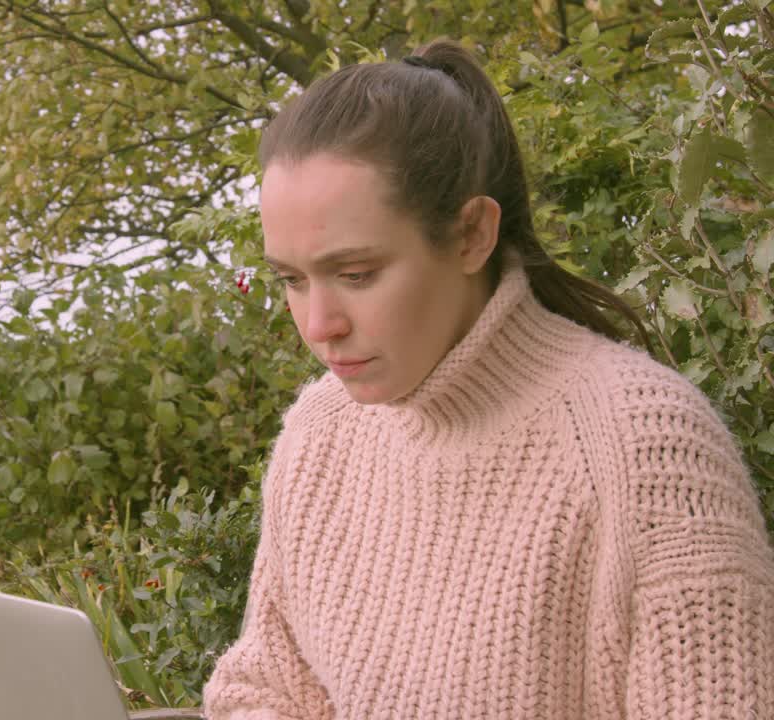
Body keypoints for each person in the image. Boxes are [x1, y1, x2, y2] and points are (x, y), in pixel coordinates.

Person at [201, 39, 774, 719]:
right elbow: (265, 685)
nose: (318, 324)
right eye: (292, 281)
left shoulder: (647, 448)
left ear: (473, 234)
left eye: (355, 274)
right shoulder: (320, 439)